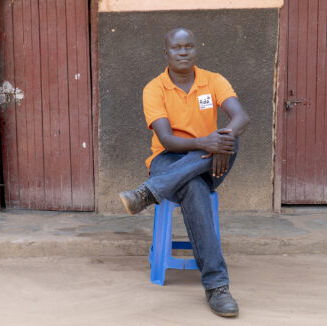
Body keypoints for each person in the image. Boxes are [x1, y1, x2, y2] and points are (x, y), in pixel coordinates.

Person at [119, 27, 249, 318]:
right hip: (168, 159)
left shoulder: (213, 80)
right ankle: (217, 287)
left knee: (234, 138)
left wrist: (220, 144)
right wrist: (205, 143)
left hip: (211, 161)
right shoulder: (154, 88)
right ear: (166, 53)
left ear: (195, 50)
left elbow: (241, 116)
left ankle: (148, 192)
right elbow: (167, 140)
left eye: (188, 46)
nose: (183, 52)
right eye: (176, 48)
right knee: (193, 188)